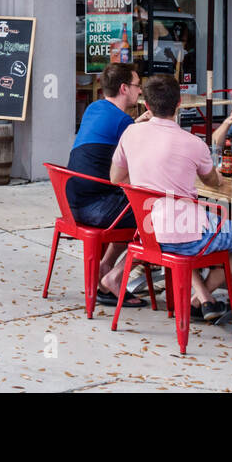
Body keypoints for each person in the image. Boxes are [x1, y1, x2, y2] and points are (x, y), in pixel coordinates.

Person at [104, 74, 232, 321]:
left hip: (147, 231)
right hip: (184, 234)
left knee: (186, 227)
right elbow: (212, 181)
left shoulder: (130, 133)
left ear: (147, 105)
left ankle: (204, 298)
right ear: (180, 103)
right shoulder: (194, 143)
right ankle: (199, 299)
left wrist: (148, 183)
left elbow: (115, 177)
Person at [67, 62, 148, 309]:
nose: (141, 92)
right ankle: (115, 278)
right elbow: (141, 167)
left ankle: (104, 266)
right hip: (96, 208)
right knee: (157, 218)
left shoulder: (95, 108)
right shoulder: (124, 123)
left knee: (131, 207)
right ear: (124, 88)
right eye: (137, 86)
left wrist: (135, 125)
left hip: (73, 205)